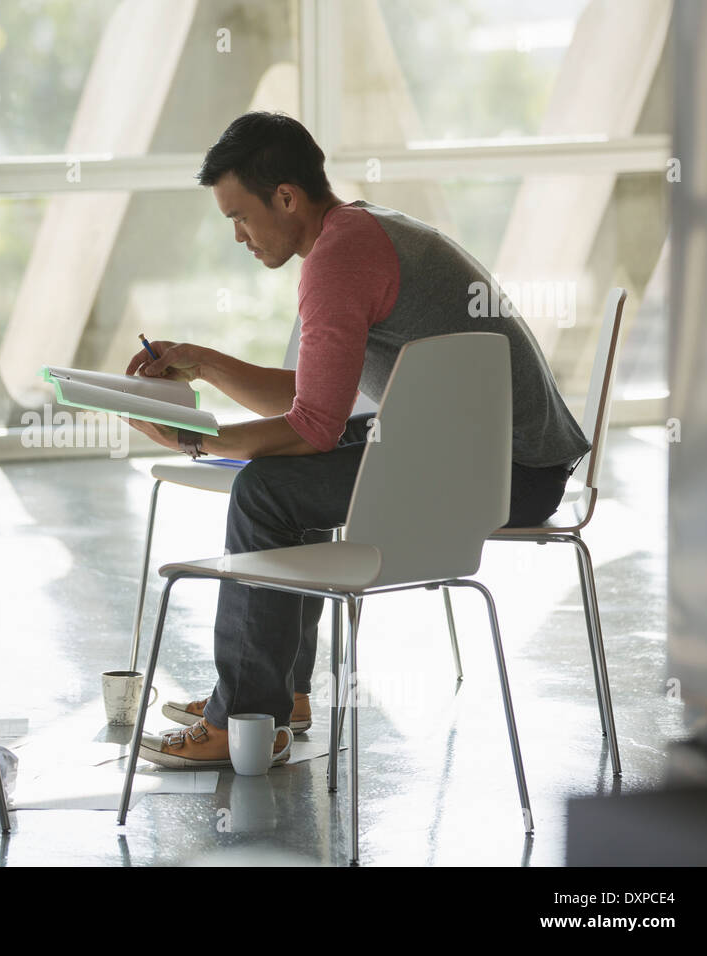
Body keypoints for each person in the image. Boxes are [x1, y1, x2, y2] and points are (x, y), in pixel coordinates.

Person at [122, 111, 589, 769]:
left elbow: (311, 429)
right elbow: (318, 403)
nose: (237, 236)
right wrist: (204, 362)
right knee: (291, 475)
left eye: (241, 216)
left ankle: (247, 717)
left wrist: (198, 441)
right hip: (500, 454)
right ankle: (279, 692)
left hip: (507, 471)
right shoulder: (359, 234)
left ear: (286, 197)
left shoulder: (338, 261)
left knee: (265, 492)